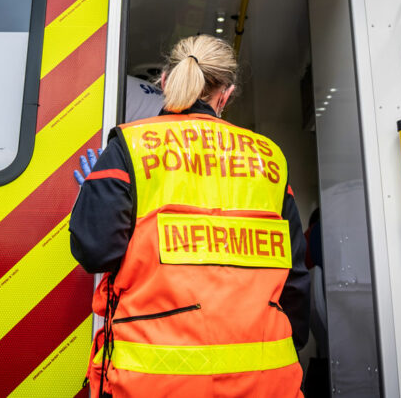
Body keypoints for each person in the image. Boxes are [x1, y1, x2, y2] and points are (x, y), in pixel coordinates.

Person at [69, 35, 310, 397]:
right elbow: (295, 279)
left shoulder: (129, 148)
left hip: (153, 384)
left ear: (165, 81)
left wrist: (92, 196)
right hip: (266, 383)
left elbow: (95, 249)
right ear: (225, 96)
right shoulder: (270, 160)